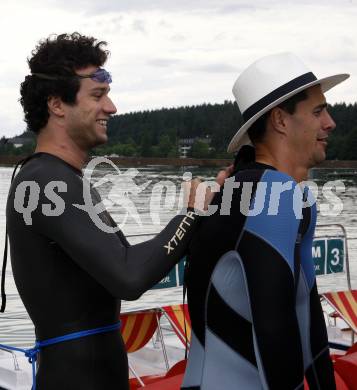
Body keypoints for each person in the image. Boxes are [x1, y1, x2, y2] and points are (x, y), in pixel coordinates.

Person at [3, 33, 230, 389]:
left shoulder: (59, 178)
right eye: (98, 95)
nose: (112, 107)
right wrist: (191, 214)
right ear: (57, 105)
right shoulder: (47, 183)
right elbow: (128, 276)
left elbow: (124, 260)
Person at [182, 52, 349, 389]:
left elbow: (309, 325)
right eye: (318, 111)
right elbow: (276, 334)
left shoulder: (294, 197)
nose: (330, 123)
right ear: (280, 120)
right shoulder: (271, 193)